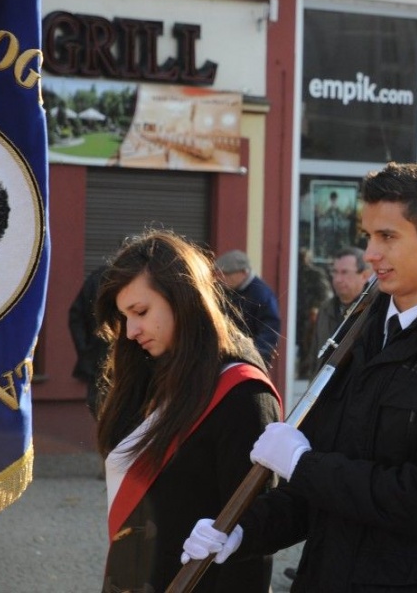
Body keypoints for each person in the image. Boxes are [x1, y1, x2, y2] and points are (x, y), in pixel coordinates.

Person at [181, 161, 417, 591]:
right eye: (368, 236)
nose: (371, 253)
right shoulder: (355, 334)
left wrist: (303, 465)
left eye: (388, 237)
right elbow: (313, 493)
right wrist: (243, 530)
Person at [94, 231, 283, 593]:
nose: (131, 331)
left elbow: (253, 539)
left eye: (141, 312)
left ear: (183, 298)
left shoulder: (242, 394)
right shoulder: (145, 375)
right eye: (124, 316)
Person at [215, 249, 282, 368]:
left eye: (226, 274)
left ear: (243, 272)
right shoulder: (225, 290)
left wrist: (252, 358)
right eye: (220, 274)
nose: (221, 278)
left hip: (249, 362)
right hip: (227, 358)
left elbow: (269, 332)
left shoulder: (262, 295)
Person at [308, 246, 372, 370]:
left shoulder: (373, 310)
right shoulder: (325, 309)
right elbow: (314, 359)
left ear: (364, 276)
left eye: (345, 272)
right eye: (335, 272)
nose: (338, 279)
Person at [68, 264, 110, 419]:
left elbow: (76, 317)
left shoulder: (97, 277)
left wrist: (85, 350)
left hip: (98, 360)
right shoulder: (138, 276)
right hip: (104, 359)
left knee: (102, 412)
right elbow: (76, 316)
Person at [296, 246, 332, 377]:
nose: (302, 260)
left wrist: (315, 309)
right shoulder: (293, 273)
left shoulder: (315, 274)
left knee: (309, 349)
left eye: (304, 257)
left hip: (309, 317)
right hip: (296, 316)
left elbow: (325, 295)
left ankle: (306, 373)